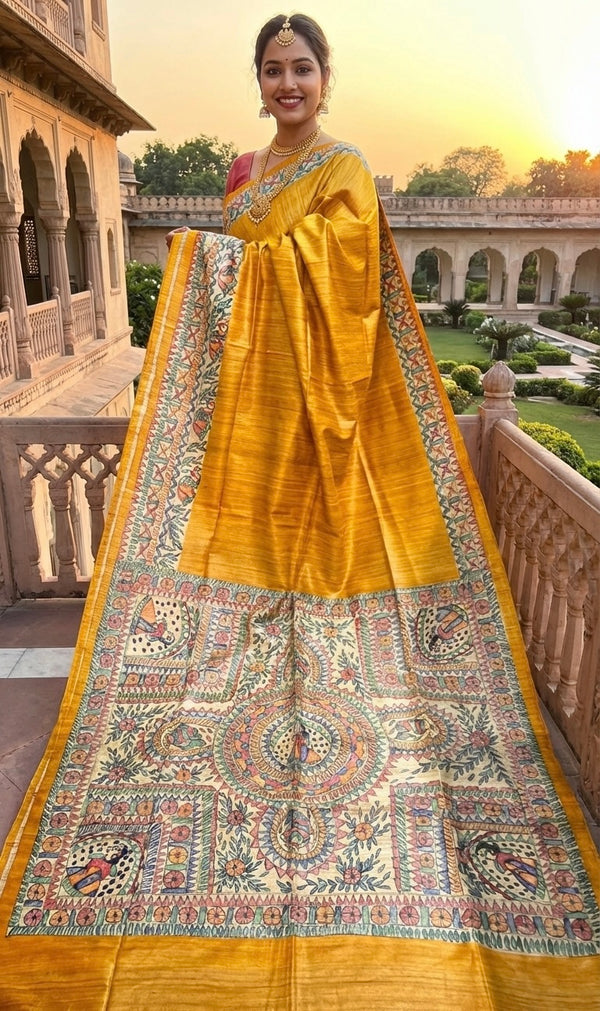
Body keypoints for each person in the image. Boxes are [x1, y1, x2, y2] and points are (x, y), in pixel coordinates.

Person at [1, 14, 599, 1010]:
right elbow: (234, 303)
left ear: (326, 77)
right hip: (254, 425)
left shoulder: (346, 173)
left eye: (301, 68)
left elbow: (346, 288)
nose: (288, 84)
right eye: (273, 70)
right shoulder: (243, 175)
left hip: (334, 422)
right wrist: (216, 262)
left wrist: (217, 264)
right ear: (260, 79)